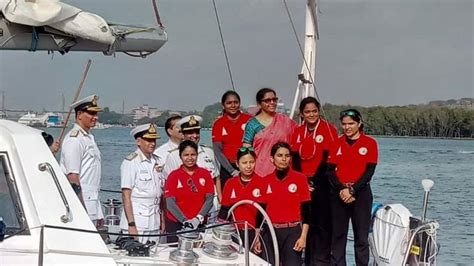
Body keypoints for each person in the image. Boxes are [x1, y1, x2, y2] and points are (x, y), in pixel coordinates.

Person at [290, 96, 338, 265]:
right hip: (302, 184)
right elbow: (294, 158)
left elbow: (328, 160)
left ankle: (322, 261)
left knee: (322, 226)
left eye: (314, 111)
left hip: (322, 184)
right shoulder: (297, 131)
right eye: (307, 112)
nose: (311, 115)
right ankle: (307, 261)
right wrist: (302, 181)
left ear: (319, 111)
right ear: (301, 114)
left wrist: (314, 182)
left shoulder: (329, 130)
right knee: (305, 225)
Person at [327, 109, 378, 266]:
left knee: (361, 238)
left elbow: (369, 172)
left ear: (359, 123)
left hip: (361, 194)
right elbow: (330, 171)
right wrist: (342, 189)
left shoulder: (369, 143)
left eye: (351, 123)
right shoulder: (337, 143)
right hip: (339, 193)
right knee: (338, 236)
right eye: (344, 124)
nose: (347, 127)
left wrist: (353, 190)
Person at [262, 142, 311, 266]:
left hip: (292, 231)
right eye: (279, 155)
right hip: (270, 232)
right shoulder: (265, 180)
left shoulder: (300, 179)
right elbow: (260, 212)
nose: (284, 159)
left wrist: (303, 237)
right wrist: (258, 236)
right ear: (272, 159)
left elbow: (307, 210)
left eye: (287, 155)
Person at [60, 95, 104, 226]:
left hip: (92, 204)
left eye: (96, 114)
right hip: (81, 205)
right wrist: (81, 210)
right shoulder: (75, 140)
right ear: (79, 114)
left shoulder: (88, 138)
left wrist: (98, 211)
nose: (95, 117)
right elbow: (73, 177)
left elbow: (92, 181)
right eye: (91, 113)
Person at [120, 123, 163, 244]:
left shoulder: (157, 161)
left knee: (153, 257)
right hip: (138, 221)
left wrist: (162, 220)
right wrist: (131, 224)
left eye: (154, 140)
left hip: (154, 220)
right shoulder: (131, 162)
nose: (153, 143)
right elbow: (126, 195)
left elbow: (160, 193)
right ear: (138, 141)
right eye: (148, 140)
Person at [164, 140, 214, 242]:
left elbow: (209, 199)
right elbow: (169, 203)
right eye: (186, 155)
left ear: (197, 155)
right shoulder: (173, 176)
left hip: (199, 223)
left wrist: (198, 218)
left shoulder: (205, 174)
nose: (190, 158)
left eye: (193, 154)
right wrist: (184, 221)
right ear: (180, 156)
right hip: (176, 224)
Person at [217, 146, 265, 254]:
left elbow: (262, 213)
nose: (248, 166)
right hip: (235, 232)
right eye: (244, 163)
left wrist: (258, 236)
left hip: (255, 232)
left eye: (251, 162)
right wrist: (219, 234)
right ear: (237, 164)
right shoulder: (230, 183)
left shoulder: (262, 183)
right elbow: (224, 210)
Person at [163, 115, 220, 200]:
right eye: (190, 132)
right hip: (186, 203)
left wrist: (220, 198)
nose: (194, 135)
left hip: (211, 203)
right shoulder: (173, 156)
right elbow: (168, 184)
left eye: (197, 132)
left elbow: (216, 177)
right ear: (182, 134)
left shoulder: (209, 152)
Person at [243, 88, 297, 177]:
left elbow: (299, 138)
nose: (272, 102)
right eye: (268, 100)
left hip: (283, 171)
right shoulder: (252, 124)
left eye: (274, 100)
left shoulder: (286, 121)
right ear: (259, 104)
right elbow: (247, 150)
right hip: (260, 172)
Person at [212, 91, 252, 191]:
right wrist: (232, 171)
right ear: (223, 105)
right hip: (228, 168)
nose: (233, 105)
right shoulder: (218, 124)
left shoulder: (250, 120)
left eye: (236, 102)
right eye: (229, 103)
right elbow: (218, 151)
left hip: (248, 166)